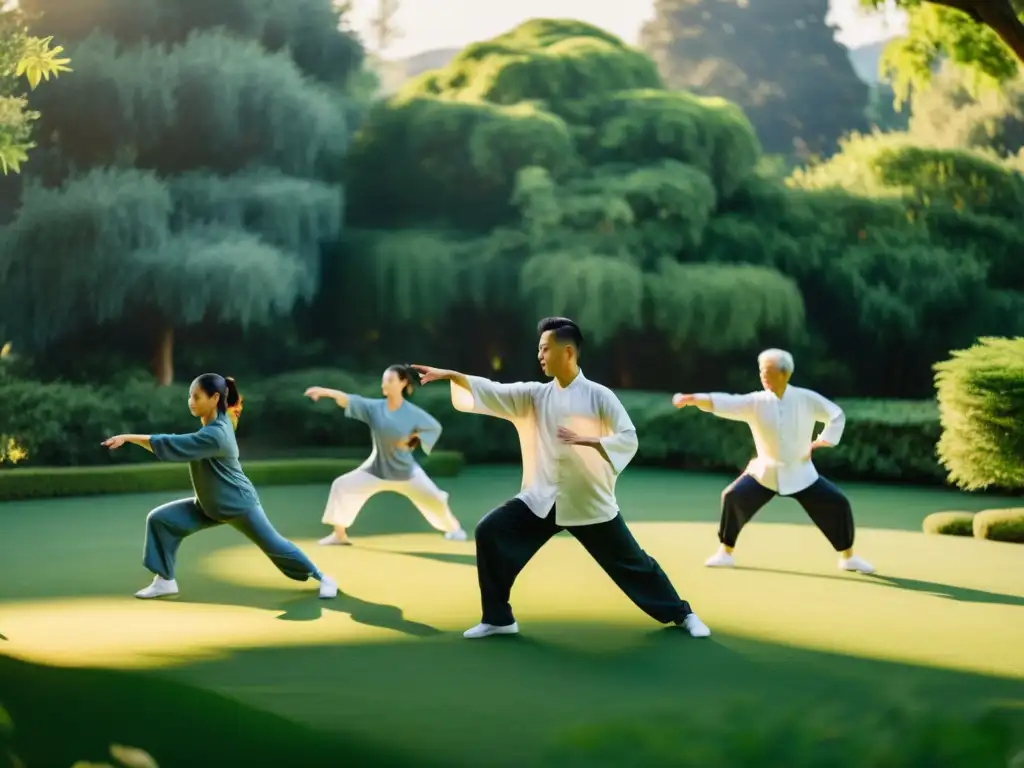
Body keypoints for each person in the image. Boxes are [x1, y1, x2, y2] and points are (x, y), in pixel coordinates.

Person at [414, 317, 711, 640]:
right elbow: (492, 390)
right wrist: (453, 377)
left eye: (545, 349)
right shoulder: (534, 395)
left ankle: (683, 615)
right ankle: (498, 618)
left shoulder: (600, 396)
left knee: (634, 565)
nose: (539, 356)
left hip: (588, 502)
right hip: (541, 498)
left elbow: (628, 437)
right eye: (539, 350)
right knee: (490, 530)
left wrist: (593, 441)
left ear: (567, 352)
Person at [101, 373, 338, 600]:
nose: (191, 402)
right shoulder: (221, 421)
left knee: (276, 546)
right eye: (190, 396)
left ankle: (323, 578)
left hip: (238, 504)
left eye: (197, 397)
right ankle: (165, 581)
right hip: (208, 506)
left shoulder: (215, 435)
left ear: (214, 399)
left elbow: (175, 444)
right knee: (161, 519)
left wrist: (129, 437)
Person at [672, 348, 876, 574]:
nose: (764, 376)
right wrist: (693, 399)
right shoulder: (756, 401)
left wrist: (821, 442)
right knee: (733, 497)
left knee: (838, 503)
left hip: (801, 473)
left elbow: (836, 414)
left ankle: (848, 557)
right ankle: (725, 552)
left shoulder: (805, 398)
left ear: (785, 374)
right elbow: (726, 402)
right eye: (761, 371)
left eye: (769, 372)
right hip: (764, 472)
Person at [304, 364, 467, 545]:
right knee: (342, 486)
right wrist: (325, 392)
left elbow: (433, 427)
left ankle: (454, 530)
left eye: (390, 380)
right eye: (384, 380)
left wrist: (412, 439)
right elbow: (349, 400)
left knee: (435, 498)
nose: (385, 384)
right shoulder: (374, 408)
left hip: (407, 473)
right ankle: (339, 535)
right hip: (376, 470)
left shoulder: (413, 413)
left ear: (403, 383)